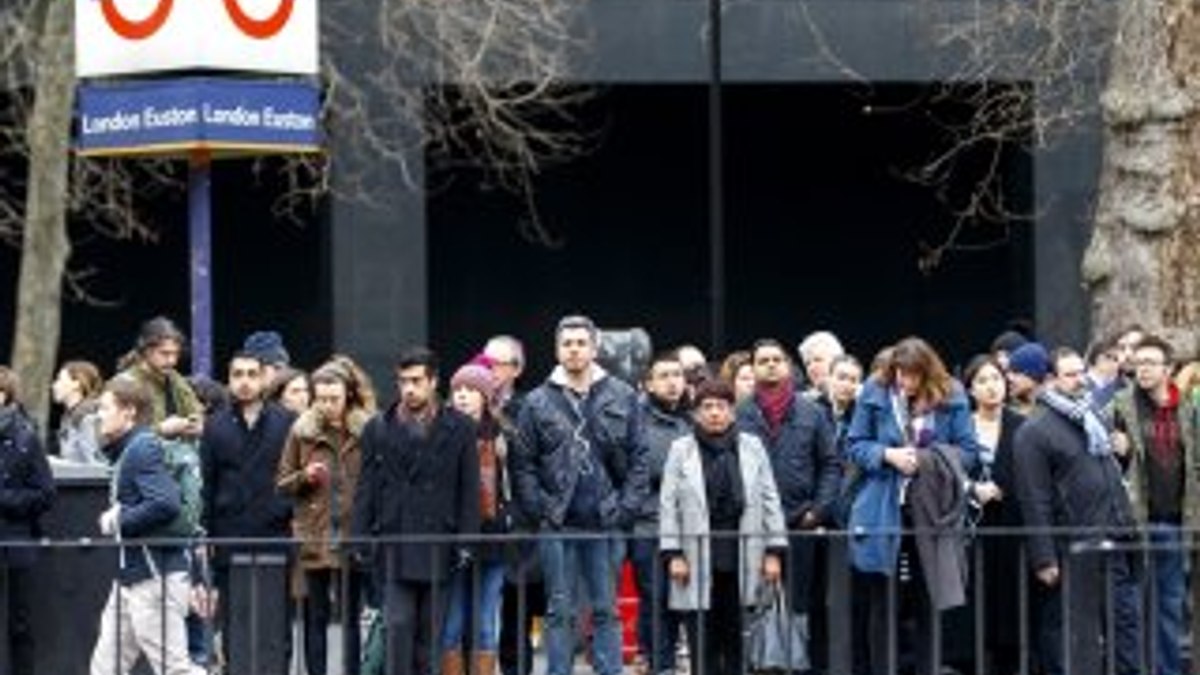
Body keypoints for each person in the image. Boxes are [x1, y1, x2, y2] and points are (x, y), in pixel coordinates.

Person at [510, 314, 649, 675]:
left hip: (607, 523)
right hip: (559, 524)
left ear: (594, 347)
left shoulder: (623, 395)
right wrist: (541, 509)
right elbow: (522, 464)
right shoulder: (537, 402)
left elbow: (639, 460)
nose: (574, 350)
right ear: (557, 350)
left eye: (580, 343)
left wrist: (624, 511)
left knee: (606, 610)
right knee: (560, 612)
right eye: (567, 343)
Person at [845, 337, 976, 675]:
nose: (906, 382)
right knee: (882, 605)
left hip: (931, 510)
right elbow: (854, 445)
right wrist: (886, 455)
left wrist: (926, 459)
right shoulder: (875, 391)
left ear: (927, 372)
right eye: (901, 374)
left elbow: (969, 451)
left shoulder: (952, 394)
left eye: (914, 375)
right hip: (882, 508)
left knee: (928, 601)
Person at [1013, 346, 1141, 675]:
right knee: (1077, 636)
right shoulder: (1034, 431)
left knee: (1125, 628)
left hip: (1114, 535)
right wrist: (1044, 558)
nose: (1080, 379)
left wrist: (1123, 453)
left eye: (1081, 372)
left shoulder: (1091, 413)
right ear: (1050, 380)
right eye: (1070, 374)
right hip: (1075, 544)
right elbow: (1034, 498)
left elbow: (1106, 472)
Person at [351, 348, 479, 675]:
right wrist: (360, 538)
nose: (408, 388)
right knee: (397, 630)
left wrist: (466, 541)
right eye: (403, 381)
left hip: (440, 541)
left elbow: (468, 489)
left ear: (433, 382)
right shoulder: (378, 428)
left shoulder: (461, 428)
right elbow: (366, 489)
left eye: (416, 381)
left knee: (430, 639)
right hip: (394, 544)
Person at [659, 379, 787, 675]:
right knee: (702, 640)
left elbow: (771, 500)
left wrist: (774, 552)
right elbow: (668, 506)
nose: (714, 412)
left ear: (732, 411)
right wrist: (673, 553)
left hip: (745, 553)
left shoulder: (753, 447)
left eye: (721, 406)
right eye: (707, 407)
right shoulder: (680, 449)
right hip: (694, 556)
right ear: (696, 413)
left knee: (737, 641)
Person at [737, 338, 840, 662]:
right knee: (753, 598)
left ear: (788, 366)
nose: (770, 364)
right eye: (763, 360)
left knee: (801, 599)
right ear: (752, 368)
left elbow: (831, 464)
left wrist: (818, 510)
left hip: (801, 521)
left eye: (776, 359)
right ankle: (757, 664)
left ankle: (799, 663)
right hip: (752, 523)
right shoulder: (739, 414)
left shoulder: (812, 412)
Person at [89, 377, 197, 675]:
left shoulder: (140, 449)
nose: (100, 414)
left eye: (106, 407)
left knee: (175, 669)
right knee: (105, 667)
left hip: (154, 576)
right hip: (133, 576)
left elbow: (165, 503)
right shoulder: (134, 447)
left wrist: (118, 521)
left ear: (129, 412)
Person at [199, 351, 295, 672]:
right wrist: (206, 536)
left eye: (252, 374)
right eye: (237, 374)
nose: (244, 381)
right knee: (234, 624)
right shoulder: (215, 427)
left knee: (277, 621)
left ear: (264, 378)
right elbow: (207, 485)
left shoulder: (285, 421)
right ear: (228, 379)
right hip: (230, 535)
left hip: (275, 533)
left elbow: (294, 477)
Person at [277, 362, 370, 675]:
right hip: (314, 534)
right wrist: (305, 476)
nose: (328, 405)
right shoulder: (302, 431)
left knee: (351, 619)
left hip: (352, 534)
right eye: (322, 398)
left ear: (349, 395)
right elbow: (282, 482)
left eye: (334, 398)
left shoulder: (367, 429)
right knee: (315, 616)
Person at [1111, 334, 1195, 675]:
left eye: (1150, 363)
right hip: (1135, 521)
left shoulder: (1186, 409)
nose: (1142, 369)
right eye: (1138, 363)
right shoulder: (1120, 405)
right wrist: (1123, 451)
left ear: (1169, 369)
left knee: (1170, 607)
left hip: (1176, 521)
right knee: (1134, 607)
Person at [439, 363, 510, 675]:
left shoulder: (502, 436)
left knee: (485, 623)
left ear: (485, 396)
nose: (463, 396)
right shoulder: (441, 431)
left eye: (470, 390)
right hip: (454, 538)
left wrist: (510, 518)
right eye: (458, 390)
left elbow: (514, 488)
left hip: (493, 538)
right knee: (451, 623)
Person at [963, 355, 1024, 675]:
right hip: (972, 531)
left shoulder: (1023, 425)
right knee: (975, 611)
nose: (991, 387)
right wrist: (972, 489)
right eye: (983, 381)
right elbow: (946, 475)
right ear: (971, 389)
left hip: (1013, 527)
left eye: (996, 379)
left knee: (1011, 610)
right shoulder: (961, 426)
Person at [630, 351, 691, 675]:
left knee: (681, 602)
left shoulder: (691, 419)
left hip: (688, 525)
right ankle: (660, 664)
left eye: (677, 375)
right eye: (664, 376)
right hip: (649, 523)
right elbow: (654, 467)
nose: (672, 382)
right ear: (649, 384)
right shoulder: (637, 420)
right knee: (656, 600)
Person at [0, 367, 54, 675]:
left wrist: (5, 499)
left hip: (15, 543)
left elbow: (45, 494)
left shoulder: (25, 437)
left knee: (20, 623)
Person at [52, 360, 105, 464]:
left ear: (76, 384)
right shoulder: (70, 416)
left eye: (59, 380)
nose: (54, 386)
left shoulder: (88, 417)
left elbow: (93, 464)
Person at [1005, 342, 1049, 417]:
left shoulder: (1056, 406)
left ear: (1033, 375)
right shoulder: (1011, 413)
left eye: (1016, 372)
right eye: (1008, 372)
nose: (1009, 378)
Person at [796, 330, 845, 397]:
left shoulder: (861, 396)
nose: (811, 368)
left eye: (818, 360)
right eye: (808, 364)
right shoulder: (802, 402)